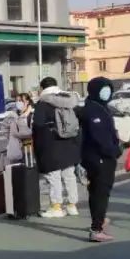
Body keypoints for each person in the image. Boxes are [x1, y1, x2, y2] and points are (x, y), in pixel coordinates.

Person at [80, 77, 123, 242]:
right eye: (103, 89)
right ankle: (96, 228)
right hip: (99, 158)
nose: (107, 92)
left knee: (99, 191)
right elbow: (100, 137)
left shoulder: (101, 107)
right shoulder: (92, 110)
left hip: (101, 157)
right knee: (100, 193)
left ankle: (100, 219)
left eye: (108, 88)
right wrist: (115, 150)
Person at [32, 77, 82, 218]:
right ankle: (72, 205)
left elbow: (38, 125)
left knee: (54, 176)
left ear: (42, 88)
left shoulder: (43, 103)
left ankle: (56, 207)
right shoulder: (68, 100)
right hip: (70, 143)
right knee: (69, 175)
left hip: (51, 145)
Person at [5, 93, 34, 166]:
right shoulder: (13, 114)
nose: (18, 103)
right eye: (17, 101)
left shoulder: (32, 113)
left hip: (30, 146)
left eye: (21, 100)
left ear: (27, 102)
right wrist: (10, 138)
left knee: (29, 165)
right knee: (17, 166)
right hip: (17, 146)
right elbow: (5, 127)